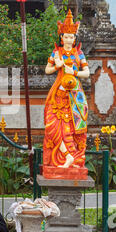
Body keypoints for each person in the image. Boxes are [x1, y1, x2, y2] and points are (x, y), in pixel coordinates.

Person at [43, 9, 90, 169]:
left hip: (74, 96)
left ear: (75, 38)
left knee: (70, 129)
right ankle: (66, 156)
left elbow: (87, 73)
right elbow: (47, 70)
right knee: (51, 126)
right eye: (66, 37)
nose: (69, 39)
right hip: (57, 95)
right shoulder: (57, 52)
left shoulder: (80, 54)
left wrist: (74, 72)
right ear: (61, 38)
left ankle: (73, 158)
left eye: (72, 37)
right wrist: (57, 66)